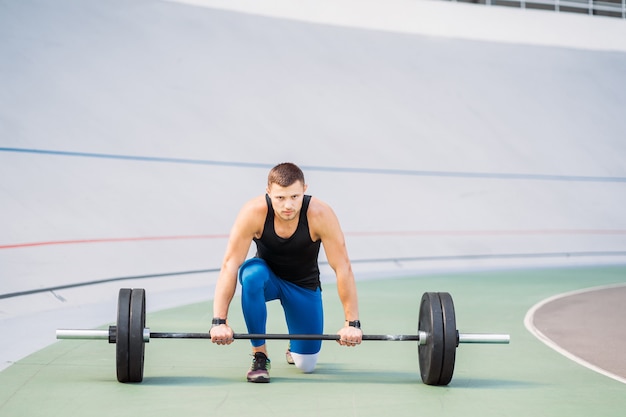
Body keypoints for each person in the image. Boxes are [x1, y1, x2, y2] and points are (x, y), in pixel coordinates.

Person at [209, 162, 363, 383]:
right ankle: (260, 355)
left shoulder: (320, 214)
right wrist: (219, 321)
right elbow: (230, 265)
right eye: (280, 198)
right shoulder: (254, 212)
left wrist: (352, 324)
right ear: (268, 192)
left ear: (304, 190)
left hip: (303, 285)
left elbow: (342, 267)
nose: (288, 205)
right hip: (266, 278)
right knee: (251, 276)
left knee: (306, 365)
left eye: (294, 197)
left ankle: (295, 345)